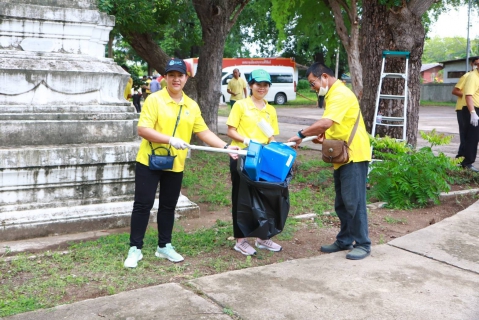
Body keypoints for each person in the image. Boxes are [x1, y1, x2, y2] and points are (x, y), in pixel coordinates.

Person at [124, 58, 239, 268]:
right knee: (143, 204)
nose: (176, 79)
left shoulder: (191, 105)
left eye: (180, 75)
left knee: (168, 206)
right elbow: (143, 129)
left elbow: (202, 131)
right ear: (165, 78)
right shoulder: (154, 100)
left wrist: (225, 147)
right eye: (172, 75)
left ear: (186, 78)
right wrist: (170, 139)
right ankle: (135, 249)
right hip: (150, 161)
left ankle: (164, 246)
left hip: (175, 163)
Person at [287, 62, 371, 260]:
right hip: (343, 155)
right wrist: (322, 136)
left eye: (313, 82)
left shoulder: (340, 94)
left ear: (324, 76)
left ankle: (363, 244)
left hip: (354, 155)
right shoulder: (333, 95)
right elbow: (333, 126)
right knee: (342, 202)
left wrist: (301, 134)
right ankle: (344, 240)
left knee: (355, 202)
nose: (313, 87)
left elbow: (325, 122)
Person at [226, 69, 282, 256]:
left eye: (265, 85)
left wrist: (279, 148)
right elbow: (231, 131)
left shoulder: (270, 110)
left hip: (263, 160)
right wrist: (247, 141)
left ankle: (262, 238)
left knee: (264, 198)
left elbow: (271, 136)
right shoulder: (240, 106)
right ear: (250, 85)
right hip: (242, 157)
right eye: (258, 84)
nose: (262, 88)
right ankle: (240, 240)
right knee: (242, 199)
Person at [452, 57, 479, 161]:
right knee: (467, 135)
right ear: (473, 64)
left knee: (472, 136)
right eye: (476, 63)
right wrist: (470, 95)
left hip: (473, 107)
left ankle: (465, 158)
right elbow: (455, 91)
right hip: (465, 108)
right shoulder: (468, 76)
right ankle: (462, 158)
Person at [460, 57, 479, 172]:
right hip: (472, 110)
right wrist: (472, 113)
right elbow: (468, 96)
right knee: (472, 137)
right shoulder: (473, 77)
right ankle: (467, 163)